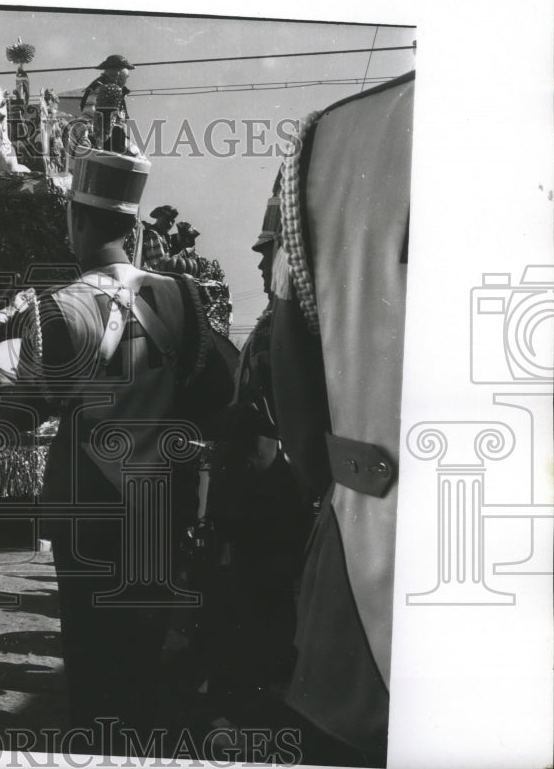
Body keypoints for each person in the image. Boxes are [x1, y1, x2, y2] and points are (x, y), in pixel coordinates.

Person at [0, 144, 231, 755]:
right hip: (162, 496)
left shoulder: (58, 307)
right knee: (145, 653)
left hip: (90, 504)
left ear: (75, 220)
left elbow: (25, 413)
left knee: (93, 657)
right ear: (132, 225)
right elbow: (216, 391)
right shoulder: (183, 293)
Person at [202, 172, 311, 721]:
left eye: (268, 255)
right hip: (255, 490)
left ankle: (252, 714)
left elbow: (269, 417)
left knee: (260, 607)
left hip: (267, 494)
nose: (261, 266)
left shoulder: (281, 327)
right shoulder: (274, 322)